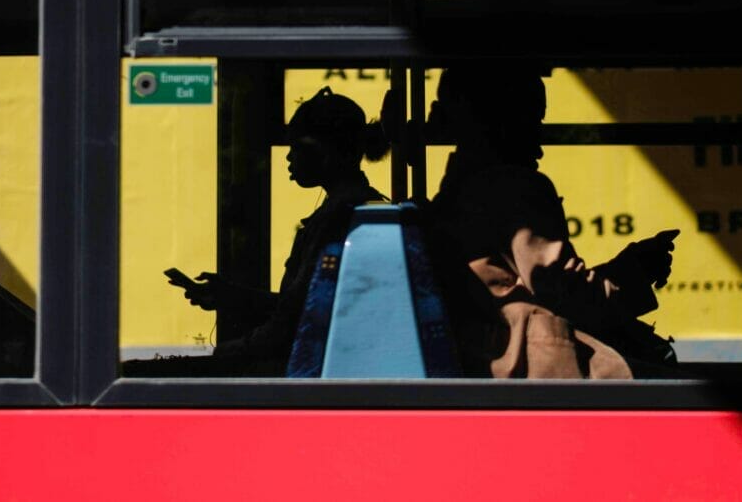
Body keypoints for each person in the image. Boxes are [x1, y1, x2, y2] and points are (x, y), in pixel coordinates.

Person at [428, 65, 679, 379]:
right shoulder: (510, 186)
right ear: (503, 121)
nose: (539, 142)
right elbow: (568, 296)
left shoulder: (458, 190)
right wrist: (637, 271)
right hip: (531, 369)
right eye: (532, 121)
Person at [124, 87, 388, 377]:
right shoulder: (351, 208)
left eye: (295, 147)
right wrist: (232, 297)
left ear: (321, 152)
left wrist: (216, 356)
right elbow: (300, 309)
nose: (288, 158)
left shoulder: (340, 218)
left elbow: (289, 328)